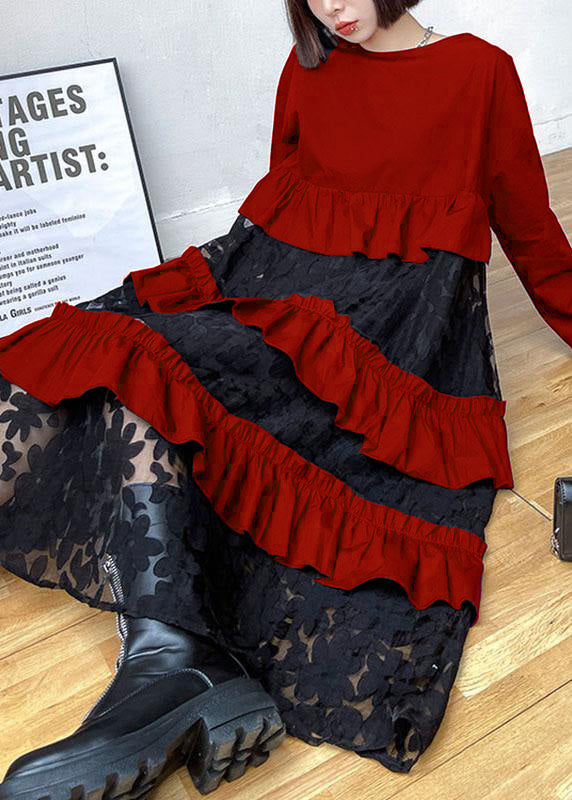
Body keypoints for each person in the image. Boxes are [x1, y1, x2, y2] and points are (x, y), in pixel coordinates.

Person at [0, 0, 571, 797]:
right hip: (284, 295)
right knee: (85, 348)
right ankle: (176, 662)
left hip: (390, 336)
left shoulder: (479, 72)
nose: (330, 8)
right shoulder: (310, 68)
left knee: (150, 371)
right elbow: (275, 217)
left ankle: (170, 662)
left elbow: (533, 232)